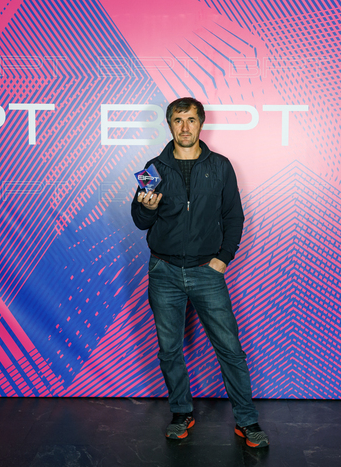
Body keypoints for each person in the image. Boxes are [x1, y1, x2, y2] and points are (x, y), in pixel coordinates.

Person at [130, 97, 269, 448]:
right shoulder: (153, 168)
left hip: (207, 272)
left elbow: (234, 216)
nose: (185, 127)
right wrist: (146, 208)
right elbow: (140, 220)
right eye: (178, 120)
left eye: (191, 120)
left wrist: (223, 258)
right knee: (169, 349)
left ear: (201, 123)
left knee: (230, 349)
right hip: (164, 271)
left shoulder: (220, 166)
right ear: (169, 125)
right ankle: (181, 412)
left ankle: (246, 420)